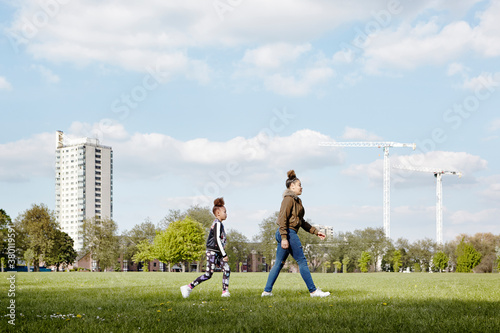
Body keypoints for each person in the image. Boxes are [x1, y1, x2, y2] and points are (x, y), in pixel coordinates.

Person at [262, 170, 330, 297]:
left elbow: (302, 222)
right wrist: (284, 238)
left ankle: (267, 291)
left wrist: (316, 232)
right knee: (302, 261)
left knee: (278, 263)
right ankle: (313, 291)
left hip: (288, 232)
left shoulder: (297, 202)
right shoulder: (288, 199)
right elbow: (282, 219)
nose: (301, 187)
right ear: (292, 186)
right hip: (288, 232)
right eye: (299, 184)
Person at [181, 197, 231, 298]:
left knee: (226, 269)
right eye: (225, 212)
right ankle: (188, 287)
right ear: (218, 213)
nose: (226, 214)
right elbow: (217, 239)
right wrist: (224, 254)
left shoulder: (219, 224)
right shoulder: (217, 223)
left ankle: (225, 292)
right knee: (208, 274)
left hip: (217, 252)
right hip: (212, 252)